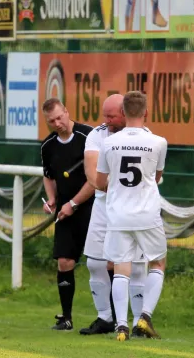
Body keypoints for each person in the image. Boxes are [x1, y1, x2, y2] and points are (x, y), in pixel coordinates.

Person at [96, 91, 168, 341]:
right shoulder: (159, 142)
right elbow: (156, 177)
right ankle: (144, 317)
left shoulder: (108, 143)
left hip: (117, 215)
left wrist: (116, 187)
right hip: (147, 214)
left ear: (124, 113)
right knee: (157, 263)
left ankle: (121, 326)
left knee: (120, 270)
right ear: (146, 112)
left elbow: (99, 181)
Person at [80, 93, 150, 337]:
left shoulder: (147, 137)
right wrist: (117, 186)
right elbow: (92, 175)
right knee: (95, 263)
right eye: (105, 115)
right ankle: (105, 318)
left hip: (133, 208)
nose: (107, 120)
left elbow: (150, 177)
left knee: (138, 267)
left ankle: (140, 322)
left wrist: (120, 187)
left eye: (111, 116)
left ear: (124, 113)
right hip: (103, 206)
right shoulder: (97, 135)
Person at [40, 97, 96, 331]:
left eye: (59, 117)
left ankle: (111, 318)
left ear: (67, 111)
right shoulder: (48, 145)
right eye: (51, 121)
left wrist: (73, 203)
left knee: (102, 264)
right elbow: (48, 175)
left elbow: (95, 180)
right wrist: (52, 199)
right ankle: (66, 317)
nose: (57, 123)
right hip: (65, 210)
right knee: (64, 262)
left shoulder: (89, 137)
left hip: (94, 208)